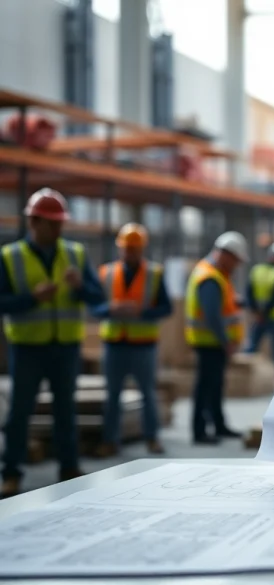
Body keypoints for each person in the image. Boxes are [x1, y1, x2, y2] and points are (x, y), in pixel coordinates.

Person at [0, 188, 106, 498]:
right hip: (28, 348)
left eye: (61, 223)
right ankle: (12, 473)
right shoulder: (10, 257)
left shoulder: (75, 254)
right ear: (34, 222)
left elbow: (96, 296)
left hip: (65, 347)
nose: (60, 229)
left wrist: (80, 286)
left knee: (65, 410)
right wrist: (31, 299)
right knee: (20, 411)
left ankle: (68, 467)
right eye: (52, 223)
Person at [92, 223, 173, 457]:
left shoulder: (154, 274)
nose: (130, 252)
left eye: (134, 248)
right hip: (114, 344)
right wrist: (111, 308)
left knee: (148, 393)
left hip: (143, 346)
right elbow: (95, 307)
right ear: (120, 248)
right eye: (127, 248)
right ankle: (110, 440)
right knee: (112, 395)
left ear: (142, 249)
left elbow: (166, 308)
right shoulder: (106, 273)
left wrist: (141, 313)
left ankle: (152, 438)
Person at [184, 231, 248, 445]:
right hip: (209, 342)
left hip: (213, 342)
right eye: (236, 260)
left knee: (215, 385)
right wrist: (226, 340)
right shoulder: (209, 277)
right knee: (205, 387)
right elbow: (211, 315)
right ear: (226, 254)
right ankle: (200, 431)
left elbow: (219, 307)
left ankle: (218, 425)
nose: (236, 265)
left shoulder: (216, 274)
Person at [245, 241, 274, 382]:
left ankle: (245, 372)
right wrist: (264, 313)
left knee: (252, 346)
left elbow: (249, 293)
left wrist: (256, 312)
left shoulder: (256, 270)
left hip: (259, 317)